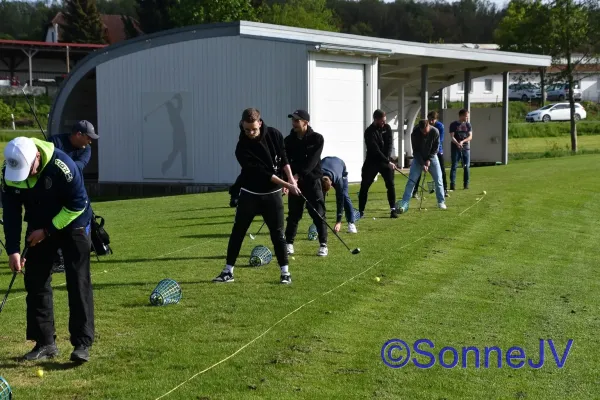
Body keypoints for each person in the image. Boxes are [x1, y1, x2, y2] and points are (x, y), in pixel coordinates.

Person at [2, 136, 94, 362]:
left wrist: (48, 230)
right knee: (35, 280)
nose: (27, 176)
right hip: (38, 223)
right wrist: (13, 250)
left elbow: (77, 204)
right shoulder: (10, 172)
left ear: (37, 157)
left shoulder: (63, 166)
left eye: (29, 170)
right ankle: (44, 342)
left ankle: (82, 343)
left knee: (77, 279)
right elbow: (12, 213)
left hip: (74, 222)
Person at [212, 108, 300, 285]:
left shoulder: (274, 134)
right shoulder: (241, 147)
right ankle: (228, 271)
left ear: (260, 123)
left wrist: (291, 179)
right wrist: (287, 185)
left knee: (278, 234)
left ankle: (285, 273)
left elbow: (283, 158)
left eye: (253, 129)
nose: (250, 133)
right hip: (250, 194)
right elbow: (263, 173)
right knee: (238, 232)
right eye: (246, 130)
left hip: (272, 195)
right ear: (242, 126)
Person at [49, 120, 99, 273]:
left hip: (73, 192)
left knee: (74, 224)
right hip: (53, 193)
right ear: (78, 134)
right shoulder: (55, 141)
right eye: (88, 137)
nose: (90, 141)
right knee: (53, 224)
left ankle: (69, 256)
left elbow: (77, 167)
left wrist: (58, 162)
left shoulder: (86, 149)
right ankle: (57, 260)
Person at [283, 109, 329, 257]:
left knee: (318, 213)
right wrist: (286, 181)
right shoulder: (288, 141)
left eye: (297, 120)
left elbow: (312, 162)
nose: (294, 123)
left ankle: (323, 244)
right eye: (293, 120)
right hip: (295, 183)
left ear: (306, 122)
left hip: (312, 181)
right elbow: (285, 162)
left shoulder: (317, 139)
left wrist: (296, 177)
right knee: (294, 215)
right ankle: (289, 243)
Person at [397, 120, 447, 214]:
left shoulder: (435, 131)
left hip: (432, 157)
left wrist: (429, 160)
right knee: (411, 181)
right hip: (418, 158)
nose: (424, 133)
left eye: (426, 130)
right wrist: (422, 163)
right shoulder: (415, 133)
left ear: (429, 125)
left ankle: (441, 202)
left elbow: (435, 148)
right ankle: (404, 203)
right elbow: (415, 151)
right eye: (422, 131)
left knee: (439, 180)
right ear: (419, 128)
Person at [358, 109, 398, 218]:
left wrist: (388, 160)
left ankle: (393, 209)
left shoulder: (387, 128)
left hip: (385, 161)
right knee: (364, 186)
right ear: (376, 119)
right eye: (382, 121)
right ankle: (360, 211)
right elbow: (374, 150)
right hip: (372, 162)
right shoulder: (369, 132)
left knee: (390, 185)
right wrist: (387, 161)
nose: (384, 123)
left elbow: (389, 144)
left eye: (384, 120)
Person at [412, 111, 449, 198]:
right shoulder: (422, 126)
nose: (431, 121)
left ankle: (445, 189)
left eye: (433, 119)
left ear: (436, 119)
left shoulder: (439, 126)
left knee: (441, 172)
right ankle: (415, 191)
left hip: (437, 151)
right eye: (430, 119)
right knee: (419, 171)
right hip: (423, 152)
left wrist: (430, 155)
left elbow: (440, 140)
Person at [320, 156, 358, 234]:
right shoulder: (317, 176)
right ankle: (321, 224)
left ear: (331, 184)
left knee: (344, 196)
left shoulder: (338, 180)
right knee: (320, 197)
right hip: (325, 162)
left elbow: (340, 201)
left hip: (340, 165)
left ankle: (351, 223)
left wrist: (338, 222)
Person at [449, 109, 473, 190]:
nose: (467, 118)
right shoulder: (453, 124)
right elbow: (452, 137)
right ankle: (452, 184)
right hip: (455, 148)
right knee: (454, 166)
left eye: (467, 116)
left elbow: (470, 136)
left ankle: (466, 184)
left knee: (466, 166)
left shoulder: (468, 125)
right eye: (466, 116)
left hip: (465, 148)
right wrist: (457, 143)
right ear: (461, 116)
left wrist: (463, 141)